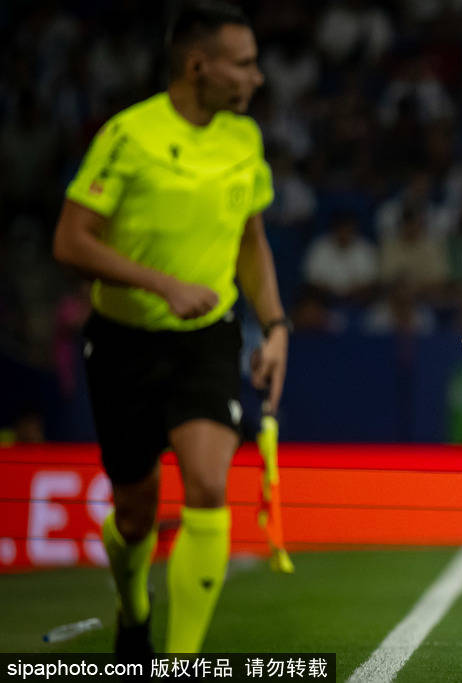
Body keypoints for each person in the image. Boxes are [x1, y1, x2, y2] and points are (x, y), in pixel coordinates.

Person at [52, 1, 287, 660]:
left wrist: (275, 325)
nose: (256, 77)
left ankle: (181, 662)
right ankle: (133, 607)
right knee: (135, 514)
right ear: (197, 66)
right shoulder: (128, 136)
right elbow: (70, 241)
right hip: (122, 341)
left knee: (208, 486)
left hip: (206, 338)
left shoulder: (244, 138)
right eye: (243, 64)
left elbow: (251, 240)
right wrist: (163, 285)